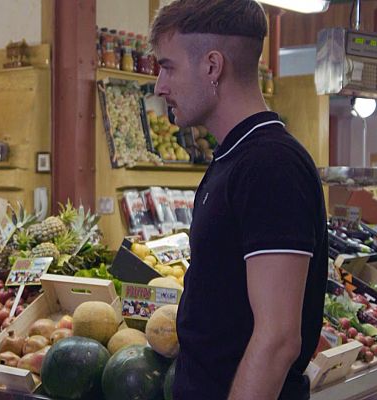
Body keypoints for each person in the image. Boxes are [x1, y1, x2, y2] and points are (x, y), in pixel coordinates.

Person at [149, 1, 327, 399]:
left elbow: (278, 339)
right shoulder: (235, 158)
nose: (160, 85)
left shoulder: (270, 165)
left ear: (212, 66)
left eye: (168, 66)